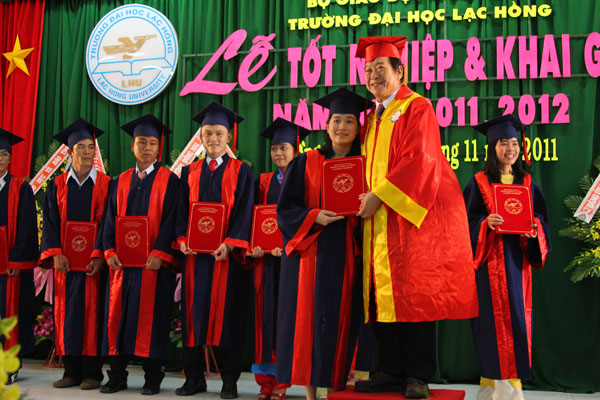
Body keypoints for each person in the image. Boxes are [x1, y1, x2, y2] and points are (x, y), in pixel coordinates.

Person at [353, 36, 478, 399]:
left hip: (410, 219)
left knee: (415, 293)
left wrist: (379, 195)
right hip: (378, 221)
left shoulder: (416, 107)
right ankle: (390, 369)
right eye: (368, 70)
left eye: (380, 68)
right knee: (381, 295)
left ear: (400, 71)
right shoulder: (371, 117)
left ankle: (418, 375)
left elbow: (421, 158)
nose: (373, 76)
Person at [276, 88, 370, 400]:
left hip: (348, 253)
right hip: (310, 254)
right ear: (326, 126)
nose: (342, 127)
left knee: (339, 323)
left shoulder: (366, 165)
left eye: (349, 121)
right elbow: (285, 210)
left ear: (358, 127)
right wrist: (314, 215)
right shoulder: (305, 162)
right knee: (309, 322)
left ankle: (336, 391)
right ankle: (310, 394)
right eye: (336, 120)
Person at [463, 115, 550, 400]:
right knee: (490, 326)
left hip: (516, 264)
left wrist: (535, 228)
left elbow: (541, 219)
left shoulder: (528, 183)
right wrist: (484, 223)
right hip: (488, 264)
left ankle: (509, 389)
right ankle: (493, 387)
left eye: (514, 143)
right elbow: (465, 222)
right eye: (503, 143)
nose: (510, 149)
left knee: (516, 321)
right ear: (492, 147)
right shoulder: (478, 183)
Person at [176, 101, 254, 399]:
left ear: (228, 137)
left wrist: (230, 242)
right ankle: (194, 379)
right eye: (207, 133)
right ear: (200, 136)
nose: (213, 139)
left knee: (227, 318)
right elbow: (180, 212)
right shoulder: (189, 171)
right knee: (193, 318)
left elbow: (245, 211)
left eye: (219, 133)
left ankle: (229, 381)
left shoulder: (241, 171)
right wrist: (182, 239)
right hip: (195, 260)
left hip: (226, 260)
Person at [100, 114, 179, 395]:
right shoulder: (119, 181)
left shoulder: (170, 181)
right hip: (122, 266)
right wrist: (108, 250)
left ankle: (152, 378)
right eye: (142, 142)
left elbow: (172, 220)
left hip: (153, 266)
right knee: (117, 320)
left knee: (151, 321)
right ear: (132, 145)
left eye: (152, 143)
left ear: (159, 148)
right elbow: (108, 219)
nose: (147, 148)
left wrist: (160, 253)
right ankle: (116, 376)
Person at [41, 118, 110, 390]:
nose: (87, 152)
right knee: (67, 314)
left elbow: (107, 223)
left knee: (93, 314)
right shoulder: (57, 185)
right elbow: (50, 222)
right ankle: (70, 371)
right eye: (80, 147)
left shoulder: (105, 184)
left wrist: (99, 255)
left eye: (90, 147)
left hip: (93, 264)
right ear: (70, 152)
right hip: (66, 264)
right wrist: (55, 253)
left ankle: (93, 373)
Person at [249, 118, 309, 400]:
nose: (278, 153)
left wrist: (287, 246)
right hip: (266, 263)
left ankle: (283, 381)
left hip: (293, 259)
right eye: (274, 149)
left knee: (288, 317)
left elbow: (305, 216)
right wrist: (254, 245)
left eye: (284, 148)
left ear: (295, 150)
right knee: (266, 319)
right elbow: (253, 218)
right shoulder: (263, 181)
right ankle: (265, 381)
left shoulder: (306, 179)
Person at [0, 128, 38, 384]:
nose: (0, 158)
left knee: (8, 313)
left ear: (10, 158)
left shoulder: (20, 188)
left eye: (4, 154)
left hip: (9, 267)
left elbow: (26, 226)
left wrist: (16, 259)